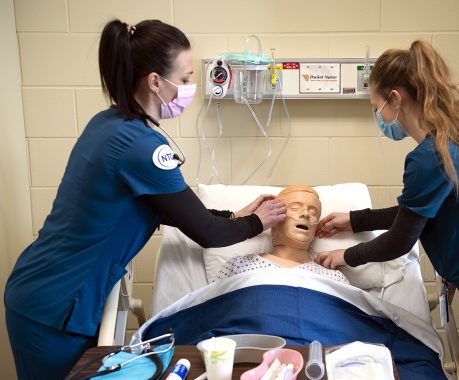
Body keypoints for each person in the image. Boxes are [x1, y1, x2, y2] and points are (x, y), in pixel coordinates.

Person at [4, 19, 286, 380]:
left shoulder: (107, 123)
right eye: (184, 80)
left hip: (45, 292)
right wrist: (257, 222)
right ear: (155, 82)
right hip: (55, 308)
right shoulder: (141, 147)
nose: (189, 88)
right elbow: (207, 233)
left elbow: (159, 205)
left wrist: (232, 214)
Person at [315, 40, 459, 379]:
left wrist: (347, 256)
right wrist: (355, 220)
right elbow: (415, 212)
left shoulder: (431, 157)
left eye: (376, 107)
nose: (379, 118)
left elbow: (400, 239)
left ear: (395, 99)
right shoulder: (453, 139)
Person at [215, 185, 349, 284]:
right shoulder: (239, 266)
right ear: (272, 219)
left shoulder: (334, 279)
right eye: (295, 208)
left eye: (313, 213)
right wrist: (235, 216)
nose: (306, 214)